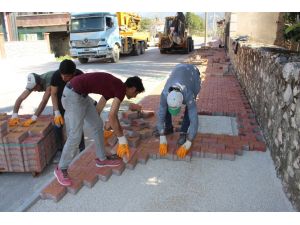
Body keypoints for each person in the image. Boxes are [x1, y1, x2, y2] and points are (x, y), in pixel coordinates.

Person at [54, 72, 145, 186]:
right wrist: (122, 139)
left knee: (97, 124)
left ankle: (102, 159)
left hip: (82, 96)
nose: (135, 96)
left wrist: (107, 128)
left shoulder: (115, 86)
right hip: (72, 96)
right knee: (75, 136)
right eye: (136, 93)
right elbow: (112, 115)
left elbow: (98, 108)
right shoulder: (120, 89)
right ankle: (61, 168)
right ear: (133, 88)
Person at [156, 63, 201, 159]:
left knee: (189, 111)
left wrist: (189, 141)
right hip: (178, 70)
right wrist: (161, 135)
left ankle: (183, 132)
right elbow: (161, 114)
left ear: (182, 101)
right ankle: (168, 128)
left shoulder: (189, 94)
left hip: (193, 74)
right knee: (164, 108)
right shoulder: (165, 94)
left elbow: (194, 119)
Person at [50, 59, 85, 163]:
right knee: (57, 126)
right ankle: (60, 150)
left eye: (67, 76)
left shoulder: (80, 75)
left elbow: (84, 94)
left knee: (77, 126)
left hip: (74, 105)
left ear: (73, 73)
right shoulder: (56, 76)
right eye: (62, 75)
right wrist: (56, 112)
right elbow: (53, 93)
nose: (64, 78)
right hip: (60, 105)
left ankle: (82, 148)